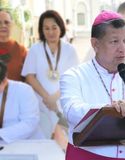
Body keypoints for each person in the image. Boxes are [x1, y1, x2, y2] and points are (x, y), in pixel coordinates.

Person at [60, 10, 125, 159]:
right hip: (86, 155)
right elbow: (71, 111)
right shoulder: (74, 76)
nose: (123, 49)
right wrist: (107, 111)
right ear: (95, 44)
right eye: (114, 41)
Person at [21, 10, 79, 149]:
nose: (51, 32)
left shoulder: (70, 50)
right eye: (46, 28)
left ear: (61, 27)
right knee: (44, 144)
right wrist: (47, 98)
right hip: (41, 105)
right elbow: (30, 76)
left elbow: (74, 78)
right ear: (41, 30)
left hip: (63, 105)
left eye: (54, 27)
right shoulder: (35, 49)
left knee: (64, 145)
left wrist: (55, 97)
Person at [0, 61, 44, 143]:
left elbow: (30, 123)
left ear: (4, 81)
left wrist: (1, 134)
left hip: (27, 144)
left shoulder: (23, 90)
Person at [0, 9, 27, 81]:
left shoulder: (22, 50)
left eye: (6, 22)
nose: (3, 25)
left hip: (16, 91)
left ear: (12, 24)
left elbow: (28, 78)